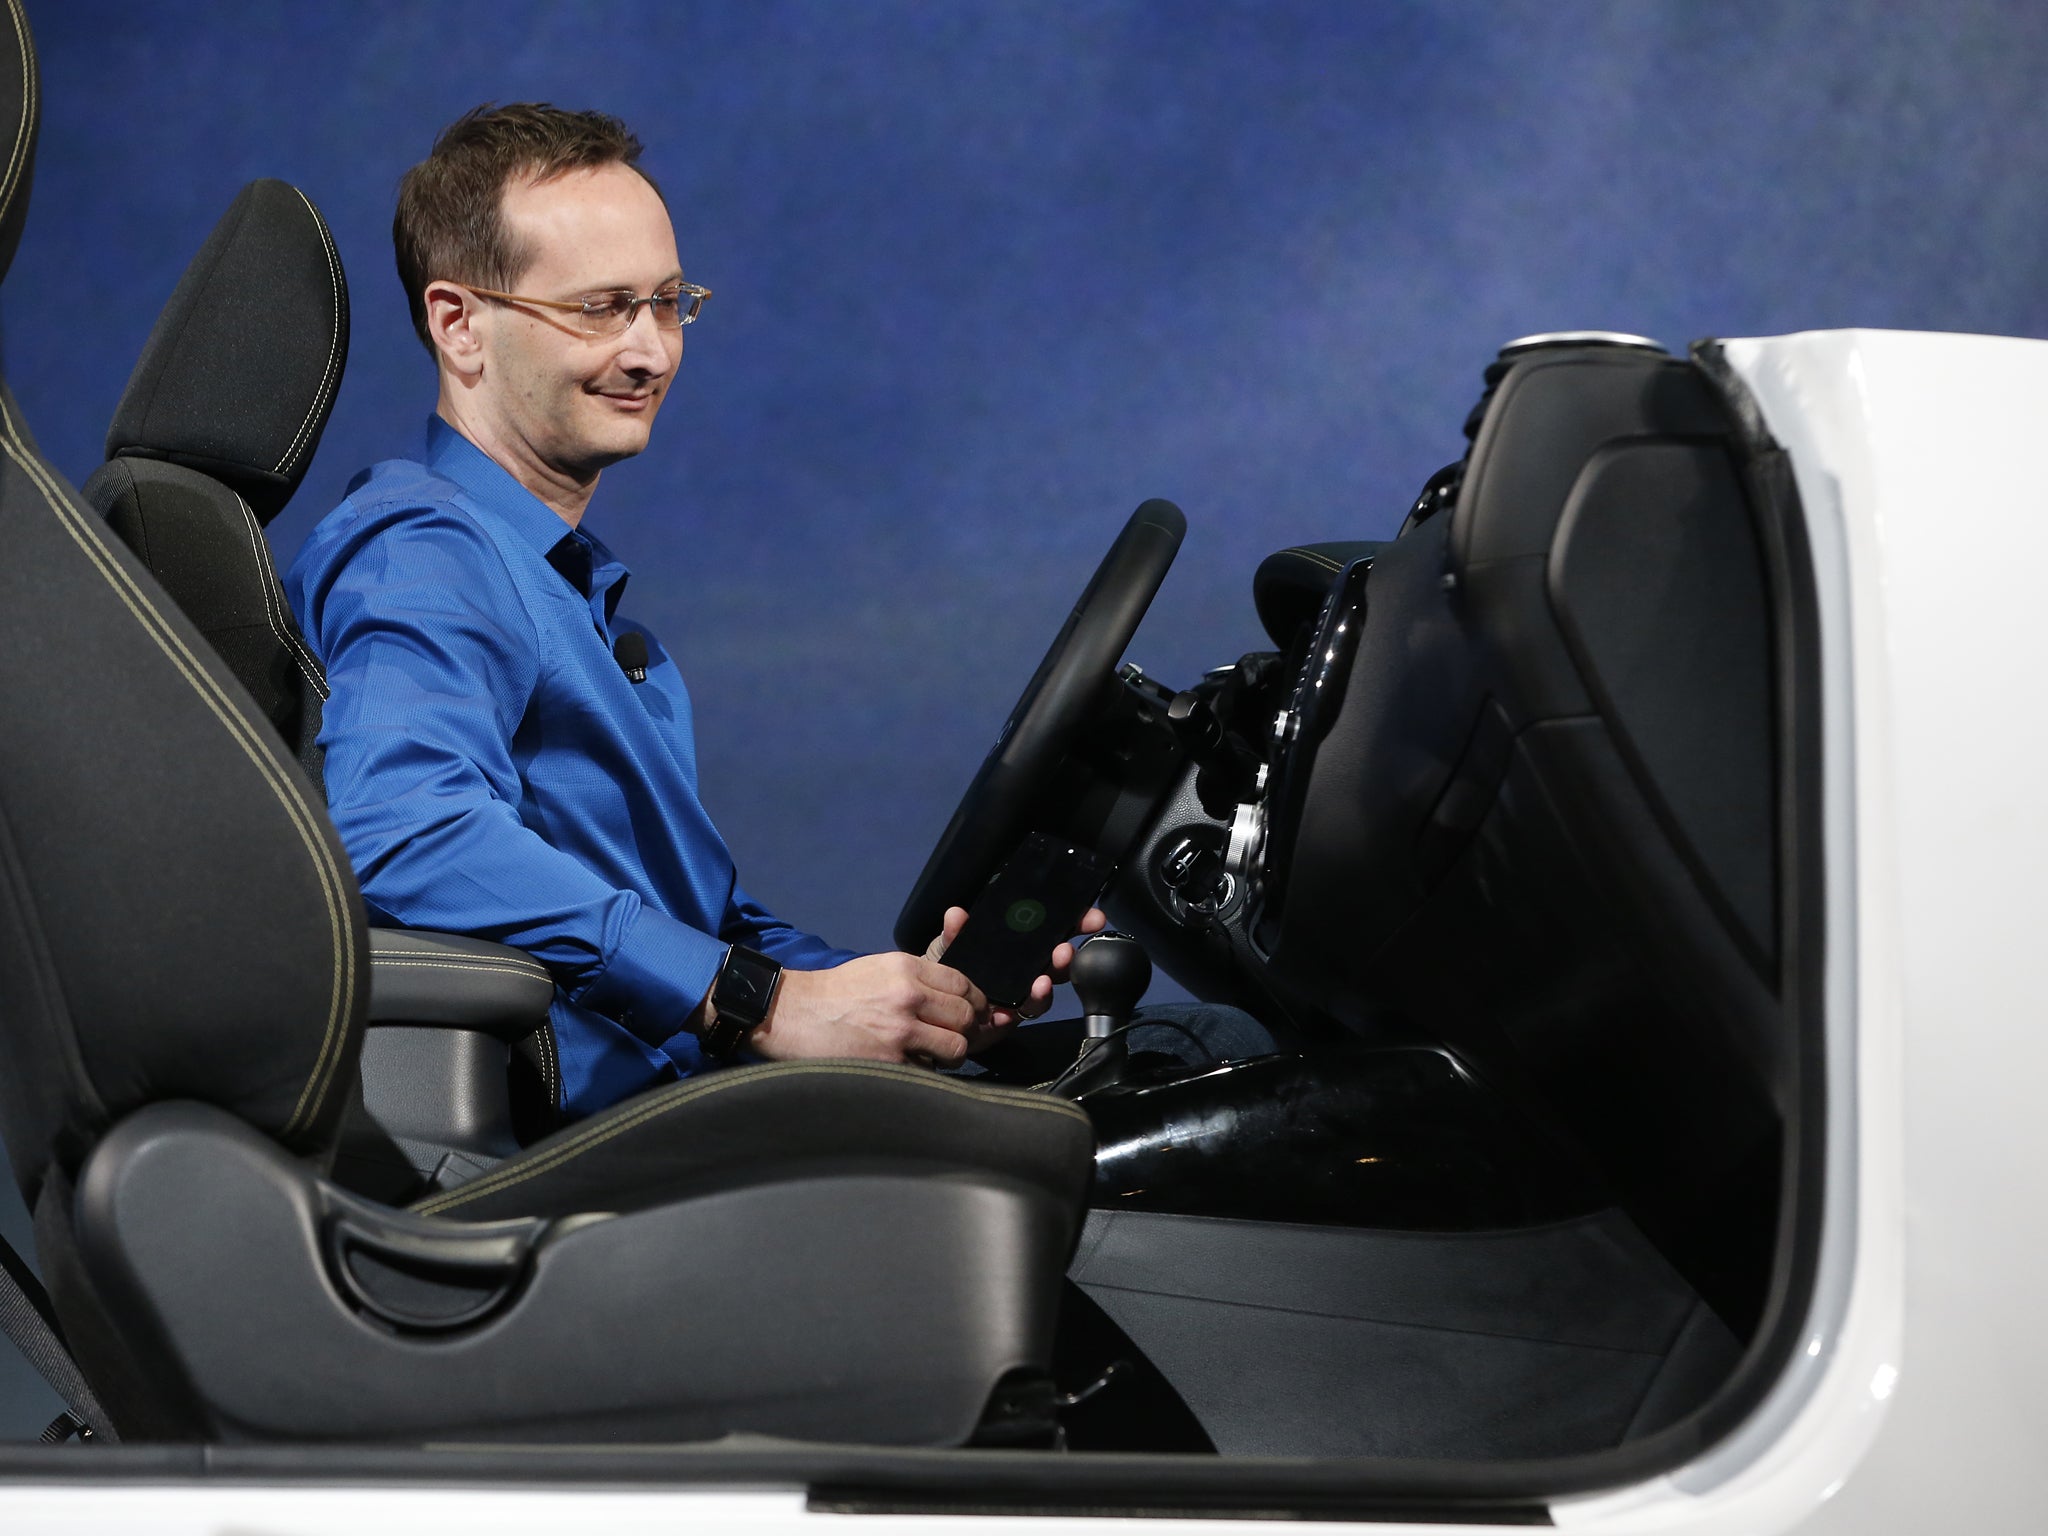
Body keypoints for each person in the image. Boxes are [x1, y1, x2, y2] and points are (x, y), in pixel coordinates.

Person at [285, 103, 1118, 1120]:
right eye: (600, 309)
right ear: (459, 324)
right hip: (618, 1158)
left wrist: (899, 1005)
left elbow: (706, 924)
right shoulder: (423, 550)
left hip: (694, 1107)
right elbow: (396, 827)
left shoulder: (563, 590)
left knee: (1181, 1061)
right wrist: (760, 1005)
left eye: (667, 303)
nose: (651, 353)